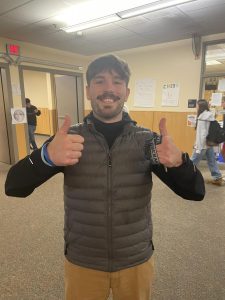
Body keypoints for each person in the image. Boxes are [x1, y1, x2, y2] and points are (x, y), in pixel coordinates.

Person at [5, 54, 205, 300]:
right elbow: (13, 185)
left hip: (135, 260)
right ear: (88, 91)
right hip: (83, 261)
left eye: (117, 82)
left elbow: (196, 192)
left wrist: (180, 164)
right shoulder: (68, 140)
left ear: (127, 92)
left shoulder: (147, 141)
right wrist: (45, 156)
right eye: (100, 81)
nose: (109, 89)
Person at [191, 99, 223, 186]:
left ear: (200, 107)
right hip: (208, 144)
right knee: (212, 160)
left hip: (202, 145)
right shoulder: (209, 116)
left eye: (197, 106)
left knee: (193, 161)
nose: (196, 107)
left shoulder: (202, 118)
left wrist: (198, 147)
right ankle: (217, 177)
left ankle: (186, 177)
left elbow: (202, 134)